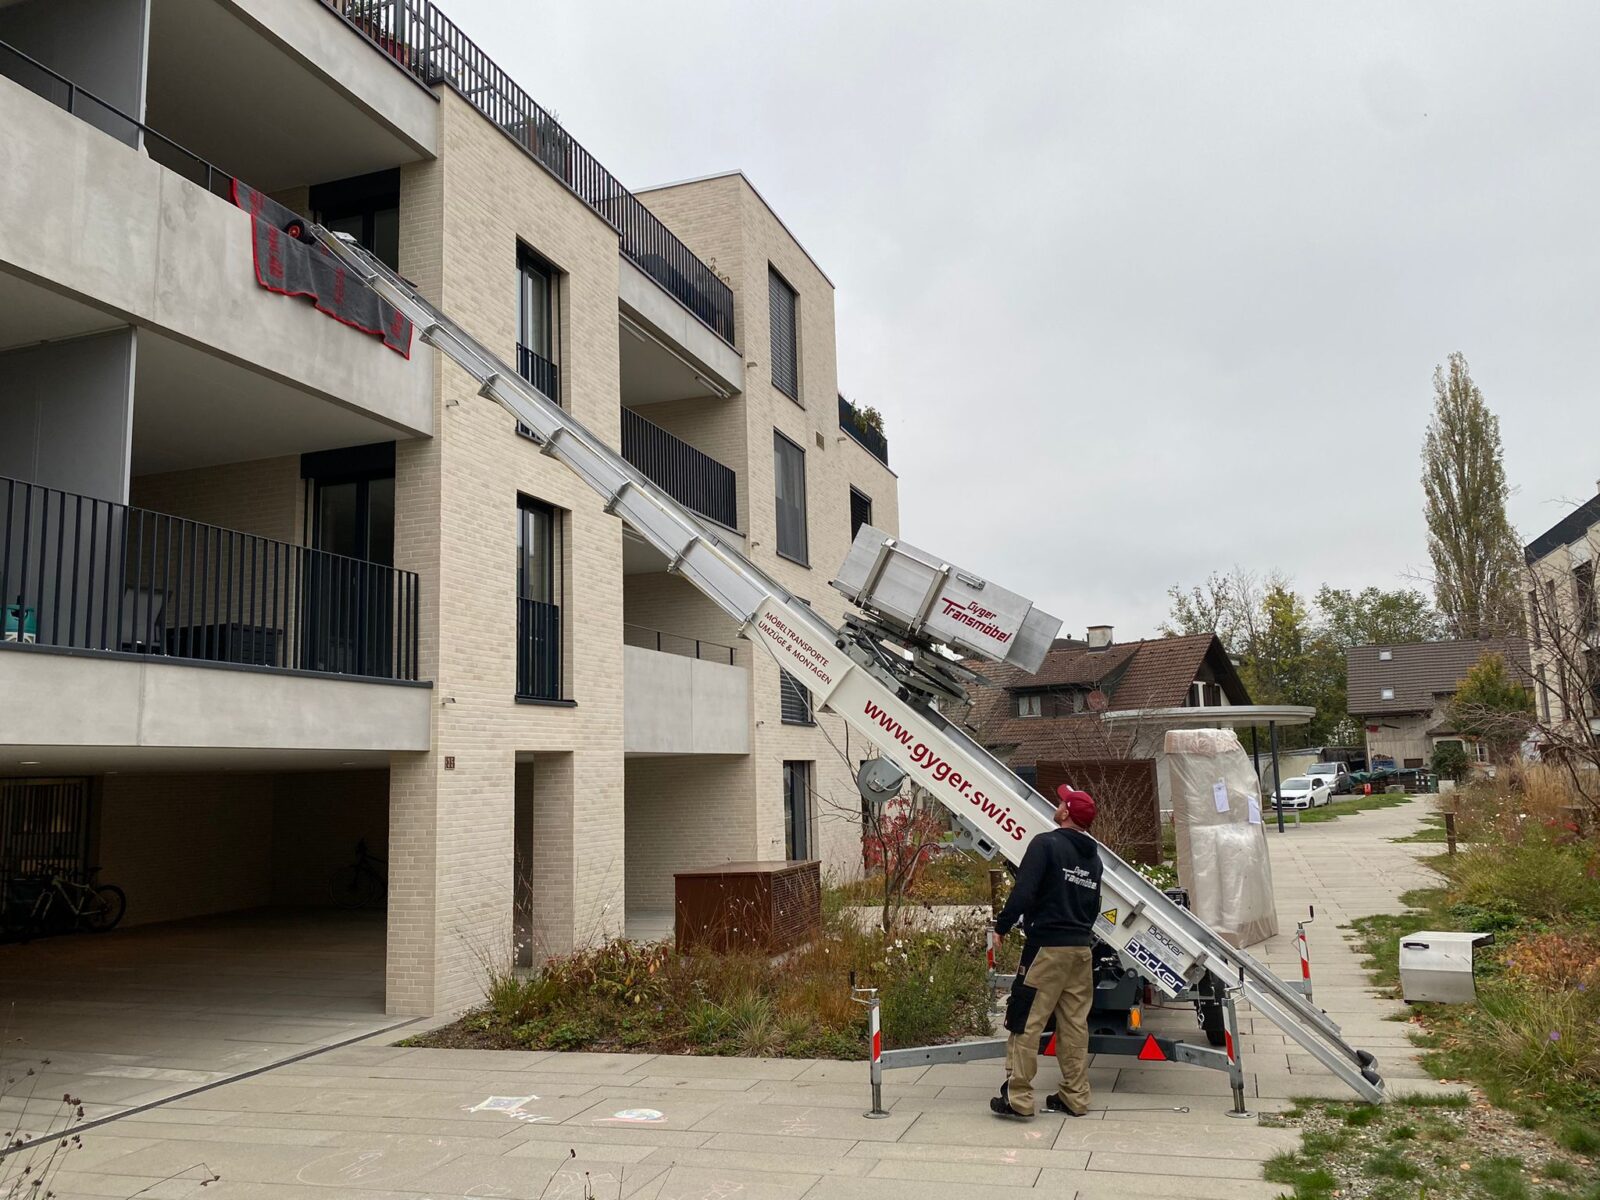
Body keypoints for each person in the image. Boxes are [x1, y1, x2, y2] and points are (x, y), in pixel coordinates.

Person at [989, 785, 1102, 1119]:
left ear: (1066, 812)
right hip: (1080, 951)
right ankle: (1075, 1095)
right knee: (1074, 1025)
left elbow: (1024, 891)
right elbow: (1093, 906)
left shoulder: (1046, 844)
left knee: (1026, 1020)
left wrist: (1002, 926)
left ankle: (1019, 1098)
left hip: (1047, 950)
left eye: (1061, 801)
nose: (1057, 804)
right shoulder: (1093, 858)